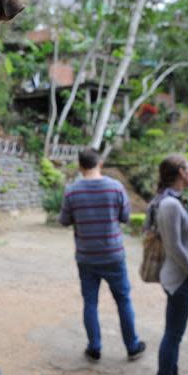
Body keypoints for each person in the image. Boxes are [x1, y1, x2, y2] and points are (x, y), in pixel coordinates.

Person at [59, 148, 146, 362]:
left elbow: (64, 220)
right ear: (100, 162)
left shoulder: (72, 191)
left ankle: (94, 347)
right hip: (113, 255)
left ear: (80, 166)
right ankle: (132, 346)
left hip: (86, 257)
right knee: (123, 300)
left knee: (90, 302)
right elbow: (125, 217)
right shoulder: (115, 187)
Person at [148, 154, 188, 375]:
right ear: (180, 171)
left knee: (175, 334)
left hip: (180, 276)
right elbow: (173, 246)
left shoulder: (173, 202)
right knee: (173, 334)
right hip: (179, 277)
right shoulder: (169, 204)